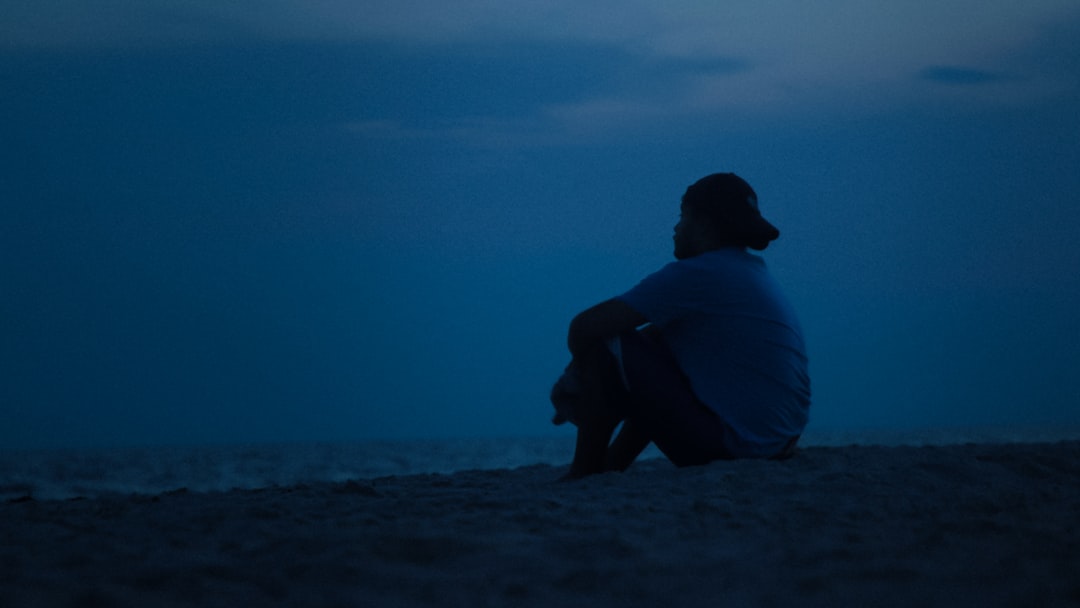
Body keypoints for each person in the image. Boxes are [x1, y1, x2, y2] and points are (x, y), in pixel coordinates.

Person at [550, 172, 810, 479]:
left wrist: (578, 377)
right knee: (653, 356)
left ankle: (584, 471)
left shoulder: (701, 274)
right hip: (773, 446)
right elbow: (648, 364)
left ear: (703, 224)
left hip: (735, 446)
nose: (675, 228)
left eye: (682, 216)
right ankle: (609, 467)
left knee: (606, 342)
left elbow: (585, 326)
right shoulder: (746, 272)